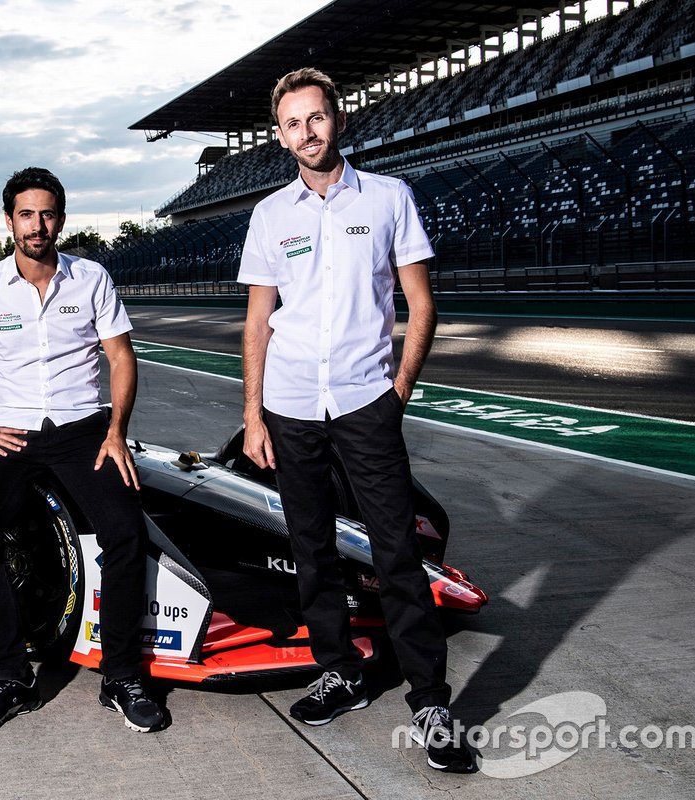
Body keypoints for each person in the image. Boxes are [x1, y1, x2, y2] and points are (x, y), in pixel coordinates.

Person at [238, 68, 476, 773]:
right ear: (279, 136)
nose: (306, 132)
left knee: (396, 551)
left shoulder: (389, 197)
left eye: (316, 118)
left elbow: (420, 305)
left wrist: (398, 390)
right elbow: (257, 321)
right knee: (311, 551)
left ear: (337, 120)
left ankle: (431, 699)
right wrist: (252, 413)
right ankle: (338, 670)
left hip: (365, 400)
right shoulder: (270, 215)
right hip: (288, 406)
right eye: (292, 123)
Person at [0, 167, 164, 734]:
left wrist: (115, 430)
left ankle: (122, 677)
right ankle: (10, 674)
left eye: (47, 213)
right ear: (9, 221)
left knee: (125, 532)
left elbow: (121, 358)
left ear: (61, 220)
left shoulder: (91, 277)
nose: (37, 224)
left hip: (82, 428)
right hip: (11, 432)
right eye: (26, 214)